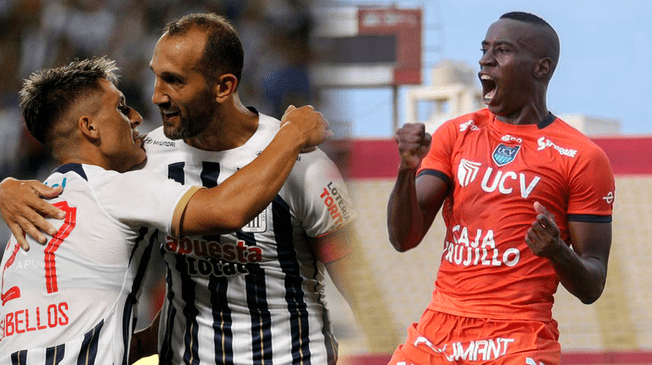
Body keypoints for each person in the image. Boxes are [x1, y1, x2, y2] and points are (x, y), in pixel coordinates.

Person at [0, 13, 362, 364]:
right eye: (156, 77)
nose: (156, 97)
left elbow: (358, 281)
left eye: (174, 81)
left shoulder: (303, 165)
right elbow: (220, 215)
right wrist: (7, 187)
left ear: (223, 86)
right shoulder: (146, 159)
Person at [386, 11, 615, 365]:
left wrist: (556, 250)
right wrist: (405, 169)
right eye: (485, 48)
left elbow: (592, 286)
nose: (485, 59)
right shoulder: (455, 133)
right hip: (439, 331)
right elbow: (404, 238)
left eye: (502, 50)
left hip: (518, 336)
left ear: (541, 68)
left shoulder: (582, 157)